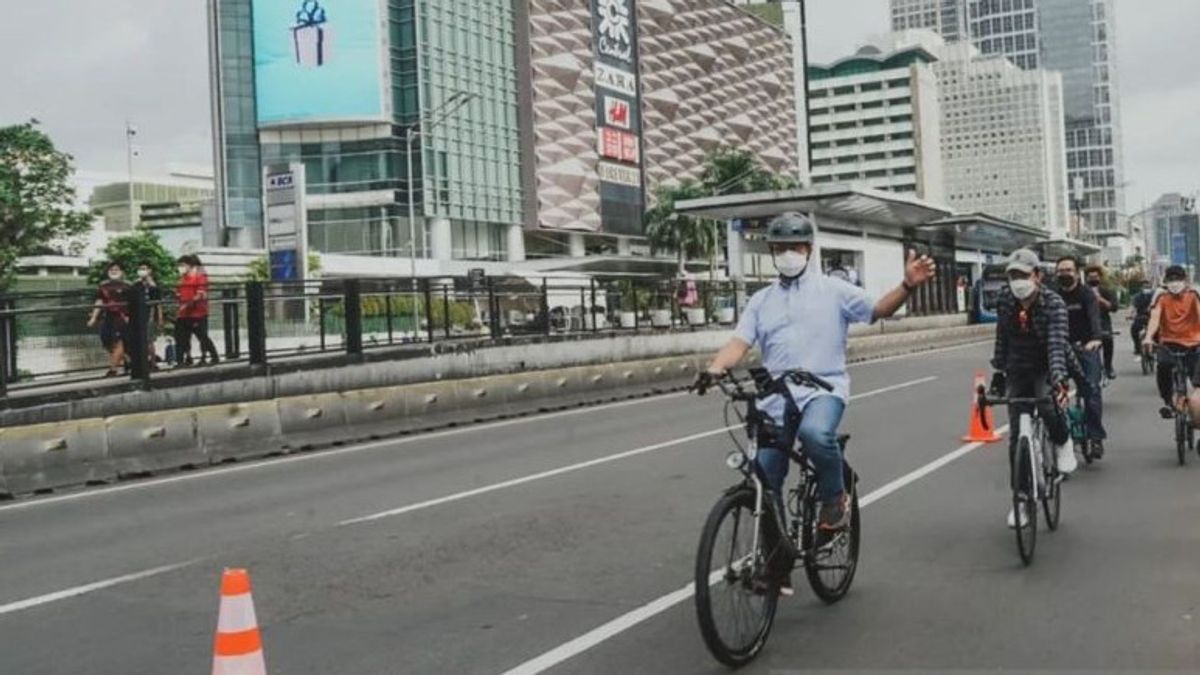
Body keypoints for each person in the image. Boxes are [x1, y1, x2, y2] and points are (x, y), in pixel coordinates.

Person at [699, 212, 936, 534]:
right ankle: (775, 568)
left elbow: (878, 310)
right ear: (771, 251)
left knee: (814, 435)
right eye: (780, 248)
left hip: (824, 390)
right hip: (777, 397)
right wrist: (715, 368)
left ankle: (835, 499)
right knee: (764, 481)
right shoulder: (760, 301)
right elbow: (738, 343)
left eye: (794, 247)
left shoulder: (833, 290)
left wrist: (908, 285)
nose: (787, 254)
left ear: (808, 249)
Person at [989, 249, 1077, 528]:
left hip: (1046, 362)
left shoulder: (1054, 303)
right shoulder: (1004, 299)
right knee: (1016, 437)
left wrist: (1059, 378)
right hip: (1017, 364)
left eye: (1023, 275)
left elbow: (1055, 344)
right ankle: (1022, 499)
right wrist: (999, 372)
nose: (1017, 282)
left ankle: (1063, 442)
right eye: (1012, 276)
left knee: (1046, 403)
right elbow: (1002, 337)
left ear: (1037, 276)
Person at [1055, 256, 1107, 458]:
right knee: (1050, 393)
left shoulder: (1087, 294)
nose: (1064, 274)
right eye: (1060, 270)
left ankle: (1096, 438)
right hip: (1060, 349)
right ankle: (1056, 439)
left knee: (1092, 391)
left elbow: (1095, 319)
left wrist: (1095, 339)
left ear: (1077, 273)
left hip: (1086, 347)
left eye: (1068, 270)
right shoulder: (1053, 295)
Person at [1141, 266, 1200, 419]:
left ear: (1185, 280)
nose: (1175, 283)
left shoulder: (1194, 295)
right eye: (1171, 280)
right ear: (1166, 281)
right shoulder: (1162, 297)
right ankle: (1168, 402)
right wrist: (1148, 337)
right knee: (1163, 367)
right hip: (1168, 343)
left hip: (1194, 344)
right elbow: (1155, 317)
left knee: (1197, 382)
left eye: (1178, 279)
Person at [86, 262, 131, 377]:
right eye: (111, 270)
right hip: (108, 317)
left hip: (122, 318)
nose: (114, 271)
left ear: (121, 272)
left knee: (119, 342)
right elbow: (99, 301)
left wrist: (130, 317)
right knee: (107, 342)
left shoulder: (128, 286)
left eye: (116, 269)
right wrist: (93, 318)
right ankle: (128, 360)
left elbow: (133, 303)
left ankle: (113, 369)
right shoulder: (103, 286)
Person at [175, 255, 220, 366]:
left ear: (190, 266)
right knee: (181, 337)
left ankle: (213, 356)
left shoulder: (200, 277)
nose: (180, 268)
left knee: (202, 337)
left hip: (197, 313)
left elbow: (200, 294)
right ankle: (181, 361)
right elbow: (178, 293)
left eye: (182, 265)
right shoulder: (182, 279)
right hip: (183, 314)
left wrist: (188, 304)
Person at [1085, 265, 1119, 379]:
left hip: (1103, 322)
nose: (1093, 279)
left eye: (1095, 277)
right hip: (1086, 324)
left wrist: (1100, 299)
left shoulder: (1106, 290)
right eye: (1090, 277)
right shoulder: (1083, 290)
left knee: (1108, 340)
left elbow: (1114, 307)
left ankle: (1108, 367)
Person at [131, 262, 165, 369]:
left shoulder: (154, 286)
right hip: (137, 315)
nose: (142, 270)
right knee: (139, 340)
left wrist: (159, 318)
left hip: (150, 315)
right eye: (140, 268)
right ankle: (142, 363)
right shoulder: (136, 284)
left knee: (149, 340)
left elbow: (158, 304)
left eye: (144, 268)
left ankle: (153, 363)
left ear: (150, 270)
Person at [1130, 279, 1156, 355]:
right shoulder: (1137, 296)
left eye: (1148, 285)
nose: (1146, 287)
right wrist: (1131, 314)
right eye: (1144, 285)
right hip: (1140, 316)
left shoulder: (1155, 295)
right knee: (1133, 329)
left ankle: (1156, 346)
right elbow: (1133, 307)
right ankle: (1137, 347)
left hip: (1153, 317)